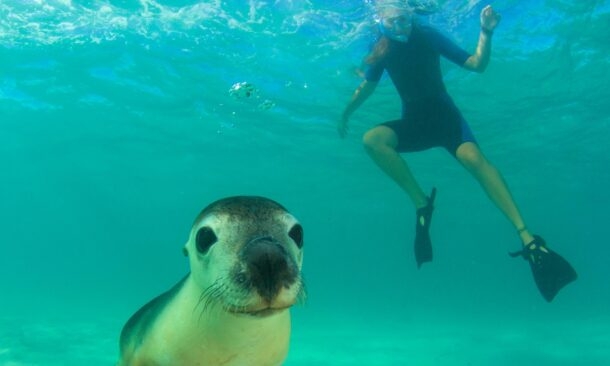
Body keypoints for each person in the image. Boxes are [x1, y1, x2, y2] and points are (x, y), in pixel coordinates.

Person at [338, 4, 576, 302]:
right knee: (372, 140)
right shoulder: (382, 49)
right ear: (380, 22)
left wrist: (486, 32)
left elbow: (477, 64)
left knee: (473, 159)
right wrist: (346, 113)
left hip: (446, 120)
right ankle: (421, 204)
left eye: (405, 20)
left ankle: (527, 237)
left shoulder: (427, 36)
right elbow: (366, 87)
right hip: (416, 123)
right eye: (393, 22)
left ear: (411, 16)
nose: (401, 27)